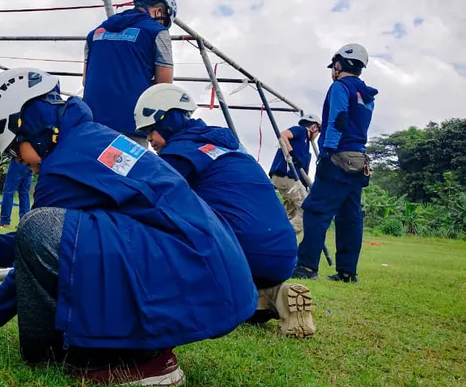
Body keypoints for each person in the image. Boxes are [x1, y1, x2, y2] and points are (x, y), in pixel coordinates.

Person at [0, 68, 257, 386]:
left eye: (15, 149)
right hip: (211, 268)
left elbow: (32, 248)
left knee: (38, 231)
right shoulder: (90, 137)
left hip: (187, 261)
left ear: (29, 126)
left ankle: (141, 361)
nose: (19, 161)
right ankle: (140, 347)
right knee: (54, 232)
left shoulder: (61, 167)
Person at [133, 84, 315, 338]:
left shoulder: (180, 152)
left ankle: (227, 297)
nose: (149, 139)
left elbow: (143, 196)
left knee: (158, 229)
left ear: (169, 119)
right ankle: (271, 295)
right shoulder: (231, 146)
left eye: (151, 129)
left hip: (241, 254)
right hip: (283, 256)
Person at [293, 44, 378, 284]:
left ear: (340, 64)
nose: (333, 70)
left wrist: (327, 151)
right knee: (350, 217)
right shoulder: (367, 96)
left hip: (338, 156)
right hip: (359, 160)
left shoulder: (340, 86)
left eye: (334, 65)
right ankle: (347, 272)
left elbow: (338, 119)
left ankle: (307, 266)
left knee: (316, 211)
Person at [82, 0, 176, 142]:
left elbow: (86, 81)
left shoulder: (95, 33)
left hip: (91, 125)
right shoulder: (157, 32)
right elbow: (163, 87)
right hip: (131, 127)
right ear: (159, 11)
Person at [268, 114, 321, 237]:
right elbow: (283, 135)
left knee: (291, 214)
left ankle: (283, 244)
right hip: (286, 176)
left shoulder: (305, 145)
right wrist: (291, 153)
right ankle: (281, 237)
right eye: (319, 131)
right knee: (306, 211)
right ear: (313, 128)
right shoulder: (301, 131)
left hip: (286, 179)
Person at [0, 158, 33, 228]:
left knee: (9, 191)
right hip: (30, 163)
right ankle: (25, 222)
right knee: (24, 193)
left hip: (18, 160)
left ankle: (4, 221)